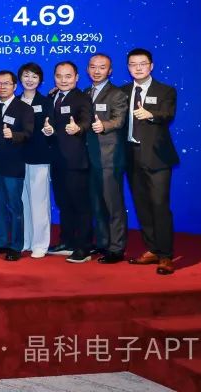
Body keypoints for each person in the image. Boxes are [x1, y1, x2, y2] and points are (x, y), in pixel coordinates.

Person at [123, 48, 178, 276]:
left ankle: (165, 256)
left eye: (142, 63)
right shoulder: (123, 91)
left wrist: (151, 114)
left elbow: (168, 114)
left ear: (151, 66)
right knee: (142, 205)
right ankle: (153, 249)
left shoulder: (165, 90)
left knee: (159, 205)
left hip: (157, 157)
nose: (138, 68)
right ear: (128, 67)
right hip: (131, 155)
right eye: (133, 64)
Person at [42, 60, 94, 263]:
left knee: (80, 205)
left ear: (77, 77)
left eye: (68, 76)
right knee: (63, 203)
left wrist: (78, 128)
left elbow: (86, 120)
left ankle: (84, 247)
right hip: (56, 160)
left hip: (75, 160)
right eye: (59, 76)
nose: (63, 80)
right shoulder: (52, 96)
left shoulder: (82, 98)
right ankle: (67, 241)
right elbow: (50, 122)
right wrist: (48, 130)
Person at [0, 70, 34, 261]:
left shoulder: (24, 108)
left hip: (13, 166)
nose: (2, 87)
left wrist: (14, 135)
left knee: (14, 207)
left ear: (15, 86)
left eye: (6, 83)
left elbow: (28, 133)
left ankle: (16, 246)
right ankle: (2, 242)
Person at [84, 53, 128, 264]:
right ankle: (102, 242)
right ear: (87, 69)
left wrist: (104, 125)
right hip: (89, 158)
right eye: (93, 66)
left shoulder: (117, 94)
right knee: (96, 203)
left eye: (102, 67)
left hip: (109, 157)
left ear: (110, 71)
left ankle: (116, 248)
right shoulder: (85, 93)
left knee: (113, 204)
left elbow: (119, 120)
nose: (97, 71)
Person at [18, 62, 53, 259]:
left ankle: (40, 244)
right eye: (26, 75)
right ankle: (26, 240)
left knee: (39, 202)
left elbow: (52, 127)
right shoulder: (14, 101)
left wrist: (49, 130)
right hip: (17, 158)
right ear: (20, 78)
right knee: (22, 202)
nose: (29, 80)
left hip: (39, 158)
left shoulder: (46, 102)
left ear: (40, 80)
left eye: (34, 76)